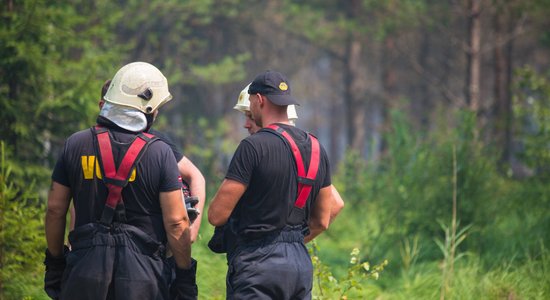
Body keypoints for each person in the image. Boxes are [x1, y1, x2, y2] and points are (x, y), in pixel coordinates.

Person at [44, 62, 197, 300]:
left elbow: (55, 210)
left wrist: (55, 262)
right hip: (144, 280)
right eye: (156, 108)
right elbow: (177, 222)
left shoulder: (75, 144)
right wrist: (184, 274)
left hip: (84, 273)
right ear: (146, 108)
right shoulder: (160, 153)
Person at [208, 70, 335, 299]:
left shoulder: (252, 147)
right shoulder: (317, 149)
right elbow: (323, 219)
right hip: (299, 264)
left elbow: (217, 215)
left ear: (259, 100)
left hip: (257, 265)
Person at [99, 79, 206, 242]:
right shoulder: (89, 142)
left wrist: (192, 230)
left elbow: (195, 176)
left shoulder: (158, 141)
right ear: (102, 106)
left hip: (144, 242)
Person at [232, 83, 344, 223]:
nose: (246, 124)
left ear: (263, 109)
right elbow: (335, 204)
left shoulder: (261, 152)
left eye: (251, 116)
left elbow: (335, 203)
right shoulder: (304, 156)